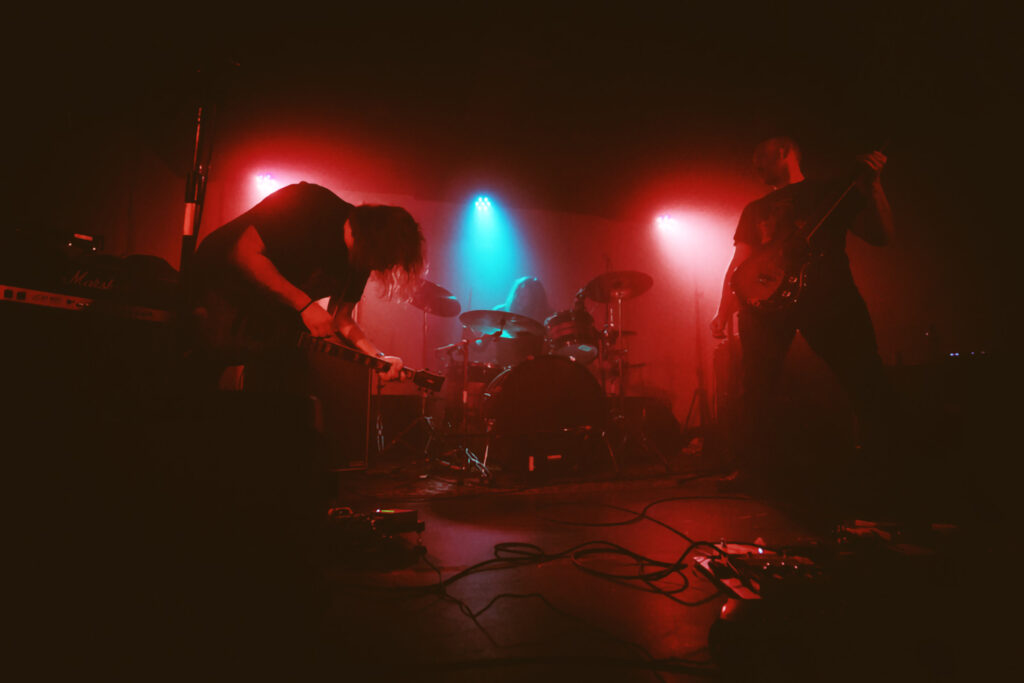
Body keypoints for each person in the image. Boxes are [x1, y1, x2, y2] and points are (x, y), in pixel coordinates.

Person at [710, 137, 894, 495]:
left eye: (761, 156)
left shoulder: (830, 191)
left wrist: (874, 187)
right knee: (755, 389)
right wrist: (723, 309)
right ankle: (752, 470)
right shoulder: (755, 209)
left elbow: (881, 236)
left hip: (827, 297)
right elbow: (739, 264)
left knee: (864, 375)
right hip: (764, 303)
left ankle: (889, 461)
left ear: (784, 151)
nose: (755, 164)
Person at [187, 181, 425, 391]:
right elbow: (244, 253)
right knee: (196, 384)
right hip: (213, 294)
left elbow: (342, 319)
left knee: (284, 399)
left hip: (262, 322)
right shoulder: (310, 204)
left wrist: (378, 357)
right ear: (373, 242)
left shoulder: (360, 260)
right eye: (386, 259)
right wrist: (305, 305)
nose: (384, 267)